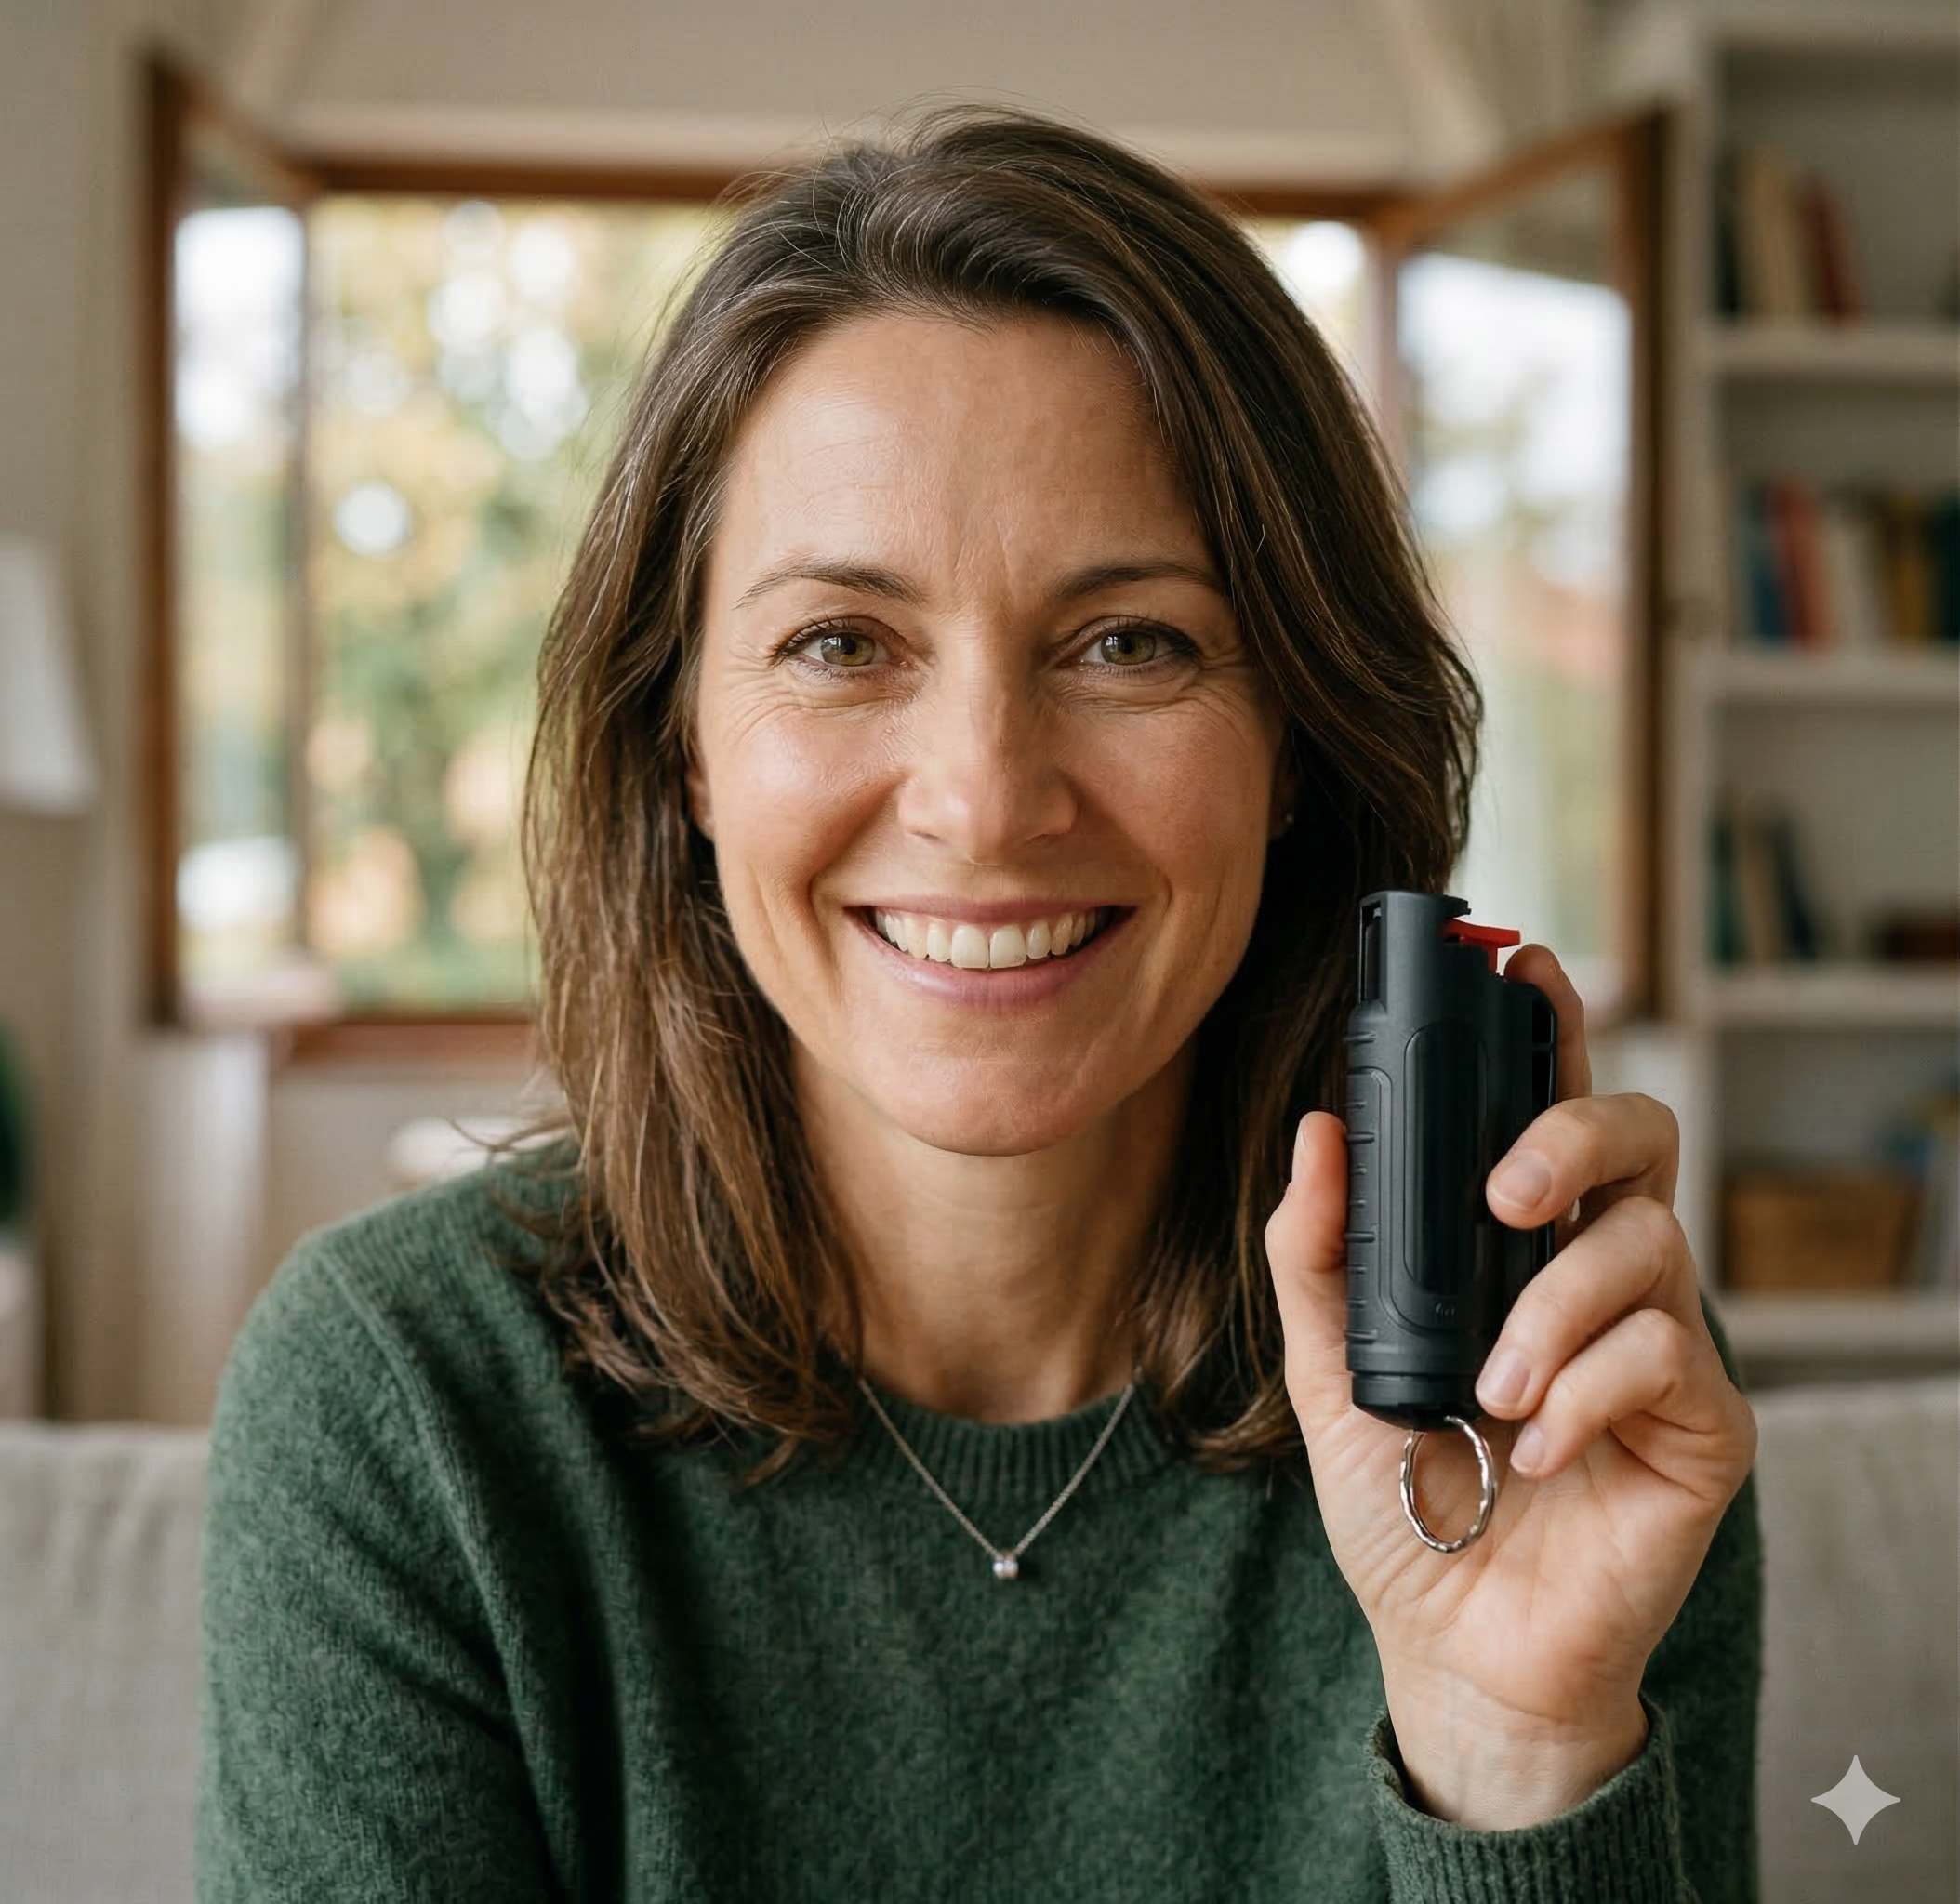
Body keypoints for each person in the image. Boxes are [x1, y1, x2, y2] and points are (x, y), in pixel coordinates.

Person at [196, 111, 1761, 1903]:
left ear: (1296, 755)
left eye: (1131, 643)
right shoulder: (410, 1408)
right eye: (841, 643)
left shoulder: (1550, 1394)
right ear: (686, 751)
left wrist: (1523, 1757)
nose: (986, 795)